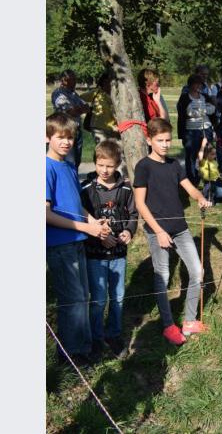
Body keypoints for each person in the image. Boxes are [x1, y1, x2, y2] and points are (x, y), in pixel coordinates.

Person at [133, 118, 212, 345]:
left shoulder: (174, 165)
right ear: (149, 140)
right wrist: (158, 231)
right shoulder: (143, 167)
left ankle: (189, 320)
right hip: (157, 230)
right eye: (160, 140)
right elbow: (140, 204)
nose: (165, 145)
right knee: (164, 276)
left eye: (168, 140)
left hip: (180, 228)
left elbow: (189, 187)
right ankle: (168, 325)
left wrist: (199, 198)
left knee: (197, 272)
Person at [46, 112, 111, 366]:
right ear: (47, 137)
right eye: (60, 137)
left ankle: (82, 347)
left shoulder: (69, 166)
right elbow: (45, 213)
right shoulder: (45, 167)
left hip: (77, 241)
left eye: (70, 137)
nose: (66, 142)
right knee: (72, 300)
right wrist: (86, 229)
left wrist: (92, 222)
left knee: (82, 296)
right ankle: (71, 355)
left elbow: (76, 205)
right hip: (59, 245)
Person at [80, 140, 138, 358]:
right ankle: (95, 338)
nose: (104, 170)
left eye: (110, 166)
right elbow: (81, 217)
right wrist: (100, 237)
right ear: (95, 163)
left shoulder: (125, 189)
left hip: (118, 255)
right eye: (100, 165)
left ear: (118, 165)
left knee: (118, 297)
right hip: (94, 255)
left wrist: (129, 232)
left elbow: (133, 215)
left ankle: (113, 334)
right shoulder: (86, 189)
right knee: (98, 299)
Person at [177, 74, 216, 185]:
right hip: (191, 132)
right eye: (196, 83)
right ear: (190, 85)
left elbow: (212, 109)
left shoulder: (204, 97)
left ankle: (208, 181)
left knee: (207, 155)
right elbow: (187, 113)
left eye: (200, 84)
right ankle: (192, 181)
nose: (199, 86)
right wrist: (202, 110)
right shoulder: (185, 97)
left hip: (206, 129)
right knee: (191, 157)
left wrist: (200, 110)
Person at [52, 69, 91, 169]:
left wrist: (78, 109)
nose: (73, 81)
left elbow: (86, 107)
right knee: (68, 161)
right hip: (65, 131)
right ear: (63, 80)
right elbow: (70, 111)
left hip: (76, 130)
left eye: (74, 79)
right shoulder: (59, 94)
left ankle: (73, 182)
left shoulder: (73, 94)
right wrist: (78, 109)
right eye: (70, 79)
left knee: (77, 161)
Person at [80, 72, 118, 146]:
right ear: (103, 82)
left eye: (111, 82)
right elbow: (80, 98)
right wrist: (85, 108)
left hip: (114, 128)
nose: (109, 84)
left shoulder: (116, 95)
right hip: (98, 127)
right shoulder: (96, 92)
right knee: (102, 148)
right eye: (107, 81)